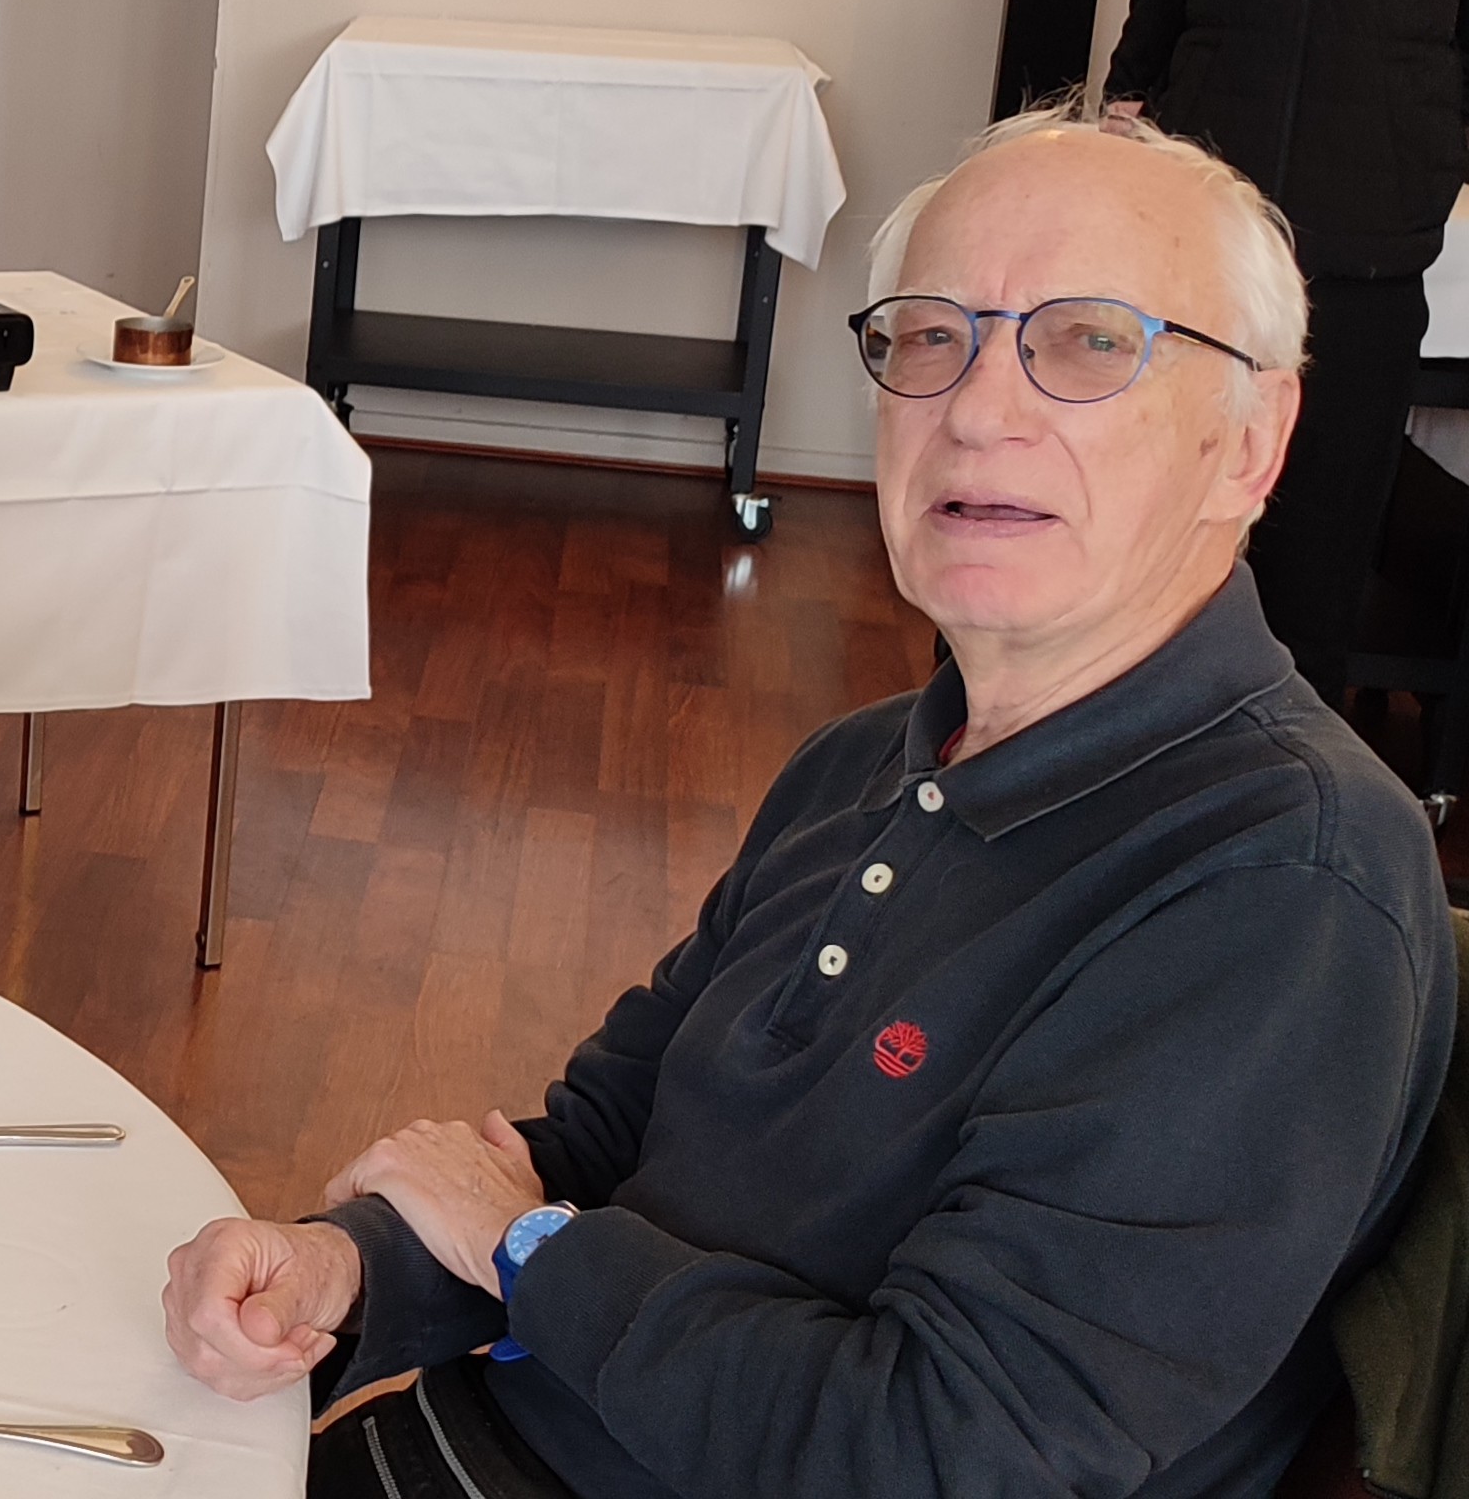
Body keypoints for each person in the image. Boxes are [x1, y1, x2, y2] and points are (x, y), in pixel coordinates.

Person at [162, 105, 1453, 1498]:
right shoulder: (863, 762)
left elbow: (944, 1456)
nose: (978, 410)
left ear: (1251, 441)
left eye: (1089, 342)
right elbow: (604, 1146)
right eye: (932, 337)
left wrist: (530, 1254)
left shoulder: (1280, 887)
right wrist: (345, 1271)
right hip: (465, 1438)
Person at [1103, 0, 1469, 693]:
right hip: (1195, 272)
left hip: (1365, 281)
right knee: (1147, 548)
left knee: (1310, 587)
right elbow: (1146, 47)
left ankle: (1273, 789)